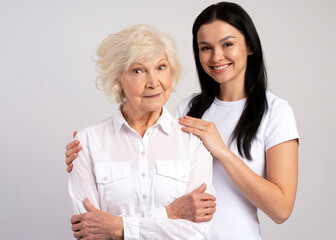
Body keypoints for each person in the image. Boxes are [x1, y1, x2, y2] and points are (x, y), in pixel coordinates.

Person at [66, 2, 299, 239]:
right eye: (205, 48)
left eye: (227, 44)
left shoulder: (275, 112)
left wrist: (223, 152)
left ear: (249, 45)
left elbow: (281, 210)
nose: (217, 56)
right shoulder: (188, 109)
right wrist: (90, 155)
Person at [68, 24, 215, 240]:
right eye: (138, 71)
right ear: (118, 79)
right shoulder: (87, 142)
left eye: (161, 67)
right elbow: (90, 232)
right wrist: (169, 214)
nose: (154, 82)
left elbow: (197, 234)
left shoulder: (193, 142)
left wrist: (118, 228)